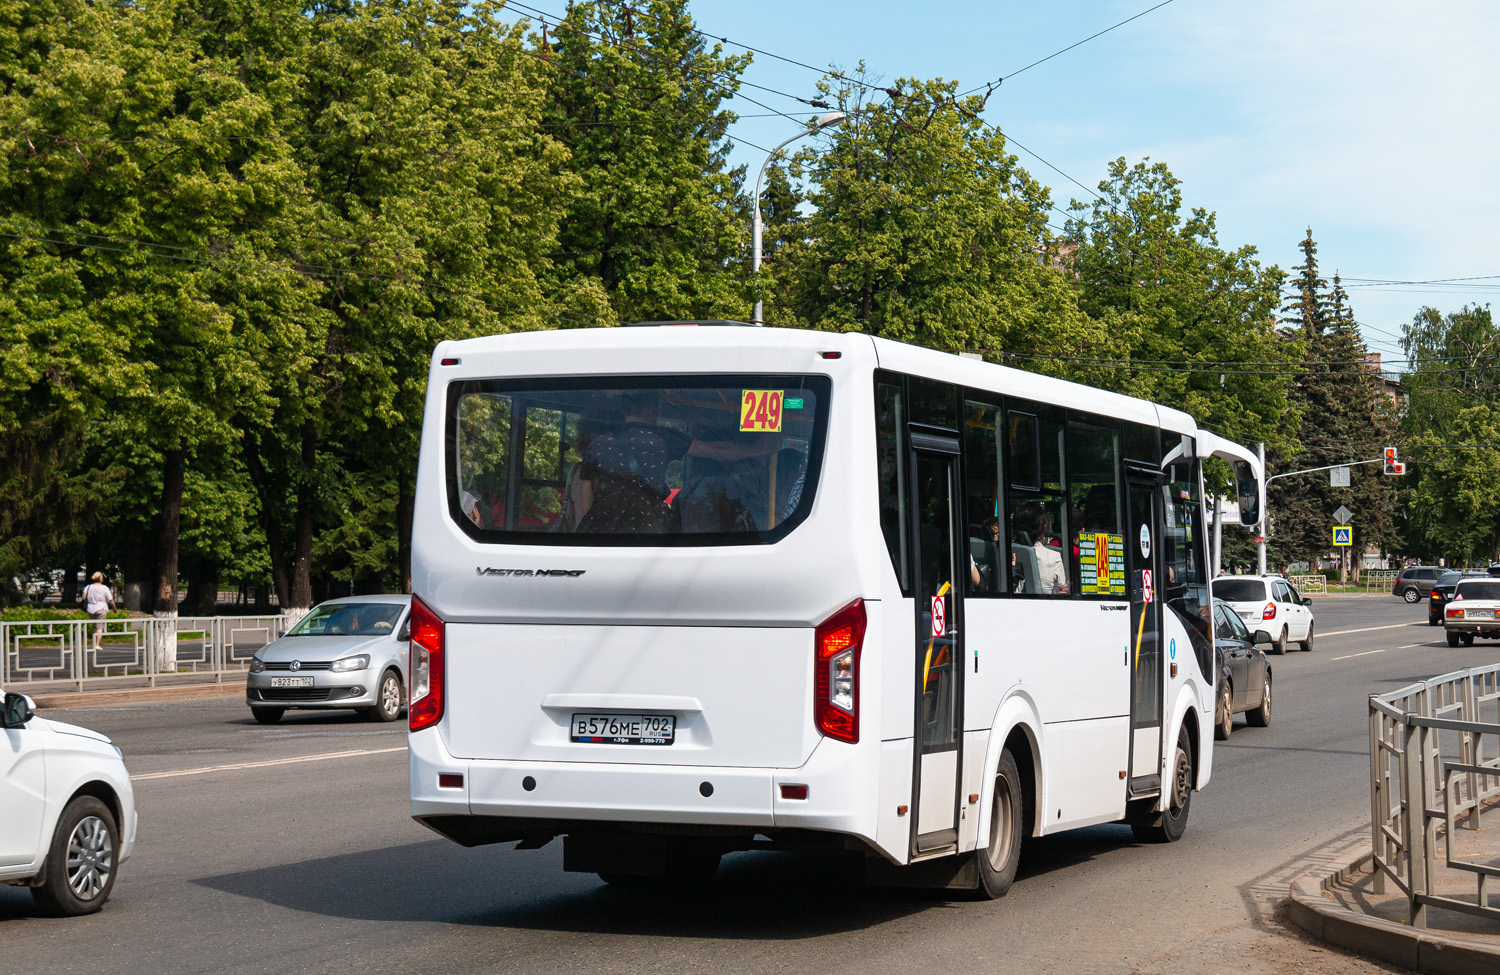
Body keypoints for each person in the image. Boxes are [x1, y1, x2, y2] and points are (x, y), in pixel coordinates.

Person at [83, 572, 116, 652]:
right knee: (99, 627)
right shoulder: (104, 588)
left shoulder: (88, 587)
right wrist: (114, 607)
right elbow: (110, 599)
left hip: (90, 609)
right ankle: (97, 645)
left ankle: (94, 644)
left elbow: (84, 597)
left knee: (95, 626)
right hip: (101, 608)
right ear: (101, 579)